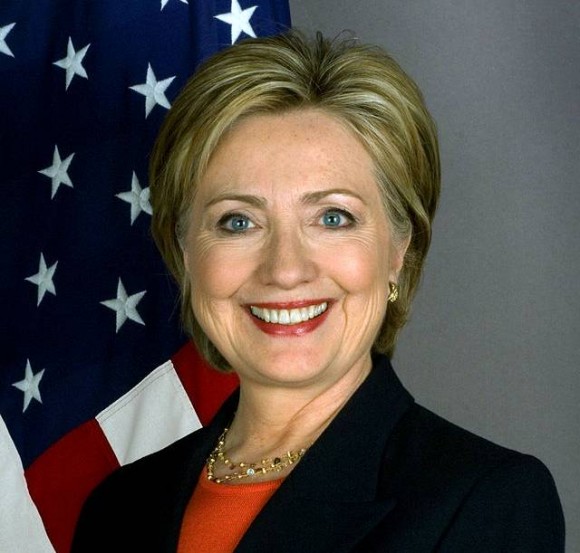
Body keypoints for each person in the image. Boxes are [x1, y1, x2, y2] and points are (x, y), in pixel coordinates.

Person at [71, 30, 565, 552]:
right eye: (238, 222)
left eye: (333, 218)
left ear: (399, 249)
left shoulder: (485, 501)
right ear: (185, 250)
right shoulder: (117, 509)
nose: (286, 270)